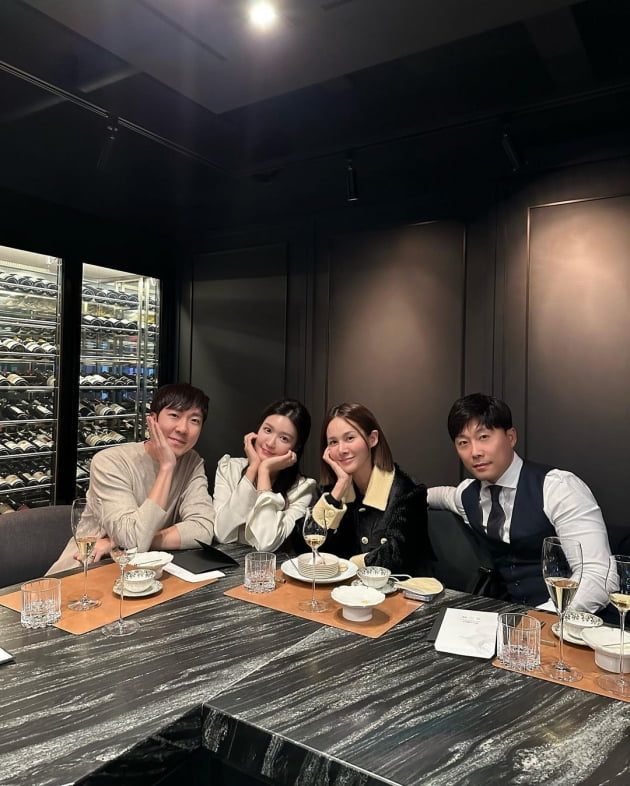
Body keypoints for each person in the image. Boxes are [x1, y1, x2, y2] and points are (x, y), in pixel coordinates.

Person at [427, 393, 611, 611]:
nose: (475, 452)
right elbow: (439, 496)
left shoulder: (558, 488)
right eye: (463, 443)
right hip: (509, 615)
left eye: (484, 437)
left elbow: (598, 577)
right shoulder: (467, 495)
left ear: (511, 437)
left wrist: (539, 618)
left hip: (571, 619)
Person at [48, 382, 215, 573]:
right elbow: (132, 539)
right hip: (87, 568)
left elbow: (203, 530)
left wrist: (114, 543)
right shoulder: (109, 462)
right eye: (174, 415)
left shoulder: (191, 462)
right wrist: (167, 467)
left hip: (145, 571)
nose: (183, 428)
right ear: (152, 420)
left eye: (194, 420)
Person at [312, 402, 431, 575]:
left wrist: (346, 565)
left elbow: (397, 559)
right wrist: (339, 489)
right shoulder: (332, 490)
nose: (341, 449)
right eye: (333, 442)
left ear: (372, 439)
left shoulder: (406, 491)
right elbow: (308, 546)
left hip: (397, 589)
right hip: (342, 587)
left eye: (350, 438)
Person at [213, 399, 315, 552]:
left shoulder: (302, 488)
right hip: (226, 563)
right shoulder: (229, 468)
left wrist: (264, 472)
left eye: (284, 438)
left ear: (296, 447)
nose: (270, 443)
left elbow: (266, 544)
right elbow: (221, 534)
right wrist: (253, 468)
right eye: (267, 430)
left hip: (273, 566)